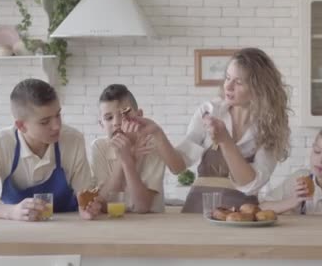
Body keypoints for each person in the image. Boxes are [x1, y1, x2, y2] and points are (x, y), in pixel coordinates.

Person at [124, 47, 291, 212]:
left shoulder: (270, 127)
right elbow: (178, 166)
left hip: (241, 215)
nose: (229, 86)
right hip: (198, 209)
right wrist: (157, 133)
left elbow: (250, 185)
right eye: (227, 78)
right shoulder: (210, 111)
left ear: (259, 88)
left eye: (238, 82)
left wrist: (225, 141)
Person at [0, 78, 101, 221]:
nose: (57, 126)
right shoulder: (0, 143)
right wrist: (11, 212)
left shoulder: (73, 140)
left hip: (68, 229)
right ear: (21, 126)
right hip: (17, 231)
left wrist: (87, 208)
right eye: (45, 122)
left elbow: (85, 196)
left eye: (58, 115)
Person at [89, 84, 165, 213]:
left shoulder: (153, 146)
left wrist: (128, 162)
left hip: (151, 225)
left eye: (124, 114)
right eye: (109, 118)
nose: (116, 122)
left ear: (139, 116)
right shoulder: (99, 147)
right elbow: (101, 203)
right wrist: (124, 158)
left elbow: (142, 207)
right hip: (113, 224)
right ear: (101, 124)